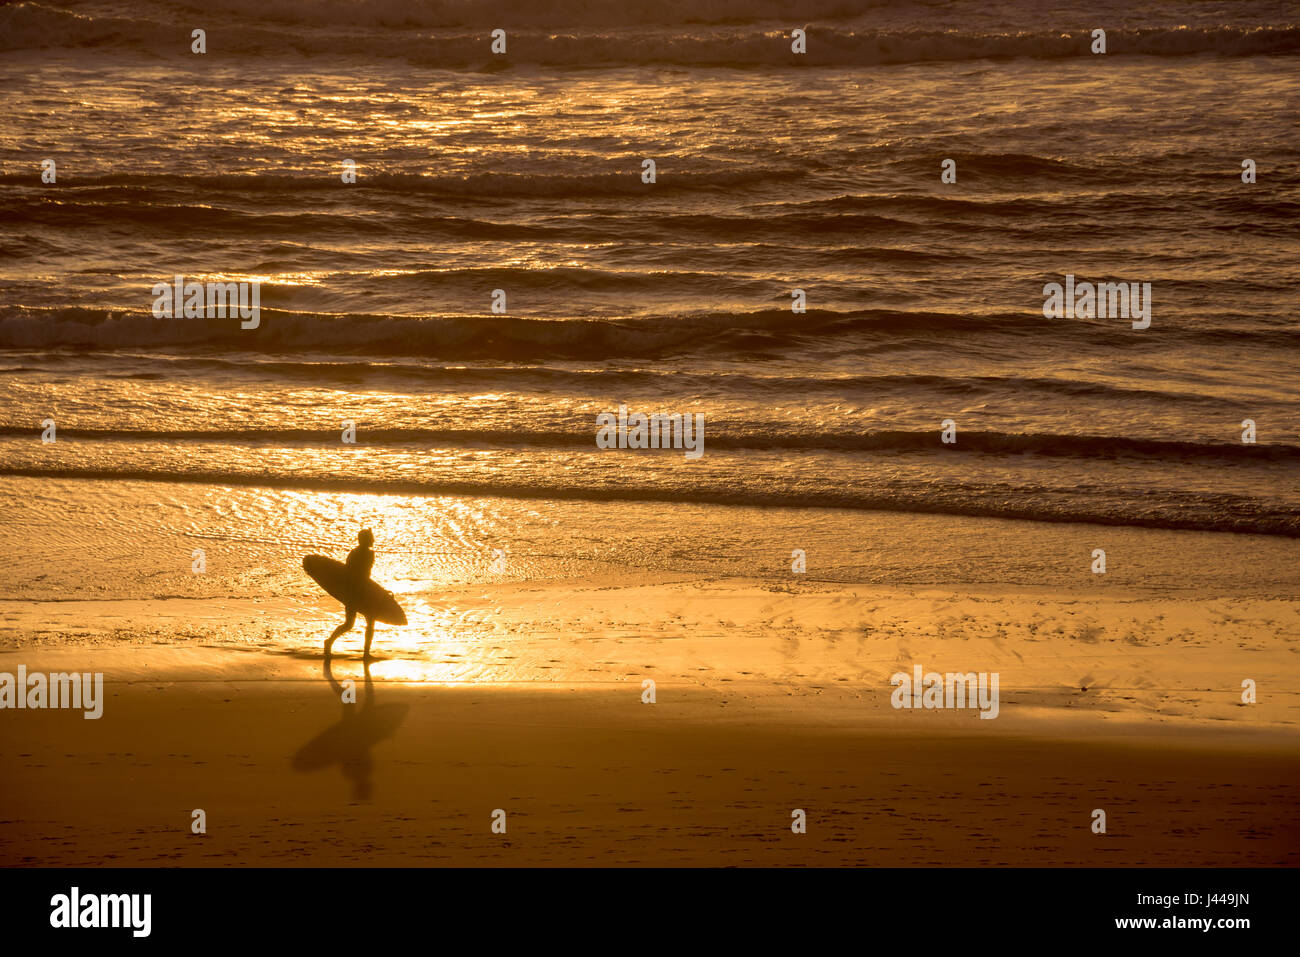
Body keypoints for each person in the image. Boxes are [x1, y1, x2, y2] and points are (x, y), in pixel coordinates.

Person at [325, 528, 376, 659]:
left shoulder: (355, 553)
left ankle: (365, 653)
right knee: (351, 624)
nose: (373, 540)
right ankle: (329, 642)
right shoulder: (366, 554)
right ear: (364, 540)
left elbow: (358, 574)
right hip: (356, 592)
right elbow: (357, 574)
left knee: (368, 621)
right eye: (371, 538)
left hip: (358, 591)